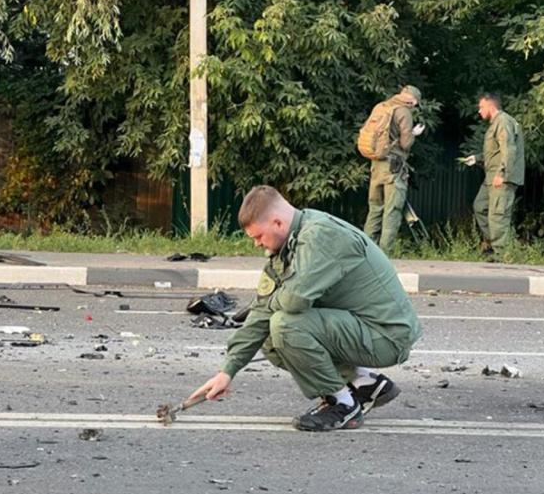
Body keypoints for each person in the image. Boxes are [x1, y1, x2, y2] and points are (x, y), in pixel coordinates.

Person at [189, 186, 422, 431]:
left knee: (285, 324)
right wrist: (227, 371)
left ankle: (342, 404)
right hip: (360, 327)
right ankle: (363, 382)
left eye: (258, 237)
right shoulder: (289, 244)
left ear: (277, 223)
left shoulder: (321, 236)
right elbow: (261, 310)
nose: (257, 244)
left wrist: (270, 303)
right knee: (269, 332)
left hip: (386, 335)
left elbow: (293, 301)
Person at [459, 93, 525, 256]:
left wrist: (502, 173)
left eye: (481, 107)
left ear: (490, 105)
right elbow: (495, 151)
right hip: (491, 177)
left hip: (501, 178)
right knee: (480, 207)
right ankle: (493, 243)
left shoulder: (503, 122)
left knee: (497, 214)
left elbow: (509, 150)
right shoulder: (496, 123)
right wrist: (476, 158)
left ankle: (501, 254)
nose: (479, 111)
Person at [363, 85, 425, 253]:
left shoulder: (381, 107)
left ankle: (367, 252)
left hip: (376, 164)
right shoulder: (403, 112)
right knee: (393, 210)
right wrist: (413, 134)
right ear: (412, 100)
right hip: (394, 167)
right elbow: (405, 144)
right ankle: (384, 254)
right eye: (415, 104)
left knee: (375, 209)